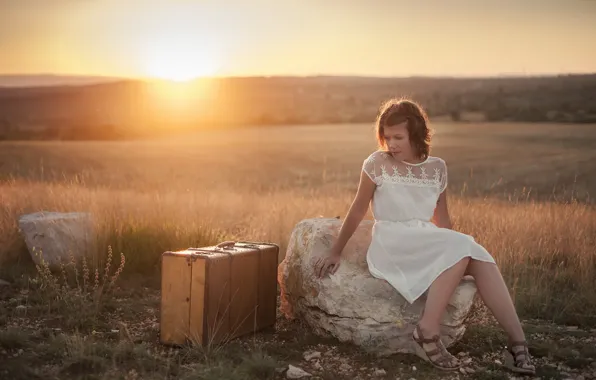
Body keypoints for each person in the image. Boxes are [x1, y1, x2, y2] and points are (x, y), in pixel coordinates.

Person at [313, 98, 535, 374]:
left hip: (425, 238)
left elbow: (442, 218)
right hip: (393, 242)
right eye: (386, 136)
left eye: (398, 137)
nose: (391, 143)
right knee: (465, 246)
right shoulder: (377, 163)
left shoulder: (437, 168)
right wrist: (336, 250)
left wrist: (454, 261)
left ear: (416, 134)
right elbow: (357, 210)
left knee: (477, 255)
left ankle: (517, 343)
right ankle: (427, 330)